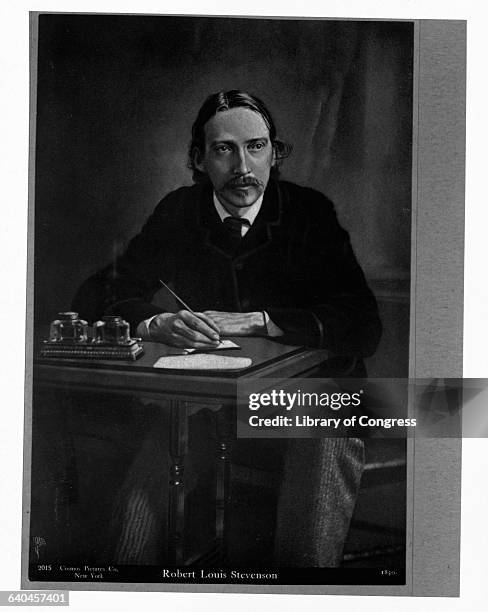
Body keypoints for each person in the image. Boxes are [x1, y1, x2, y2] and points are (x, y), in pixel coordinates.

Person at [73, 90, 382, 567]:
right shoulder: (179, 211)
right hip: (212, 405)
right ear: (198, 159)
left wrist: (263, 320)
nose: (243, 165)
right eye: (224, 149)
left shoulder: (308, 212)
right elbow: (96, 294)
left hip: (315, 400)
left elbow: (363, 324)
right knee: (141, 507)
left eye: (256, 147)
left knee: (323, 436)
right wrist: (158, 321)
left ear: (275, 154)